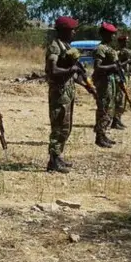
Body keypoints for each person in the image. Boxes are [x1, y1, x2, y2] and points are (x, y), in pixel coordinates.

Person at [45, 16, 95, 173]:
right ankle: (53, 161)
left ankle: (58, 156)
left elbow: (76, 73)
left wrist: (87, 86)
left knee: (66, 127)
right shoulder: (55, 48)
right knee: (58, 126)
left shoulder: (66, 47)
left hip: (67, 92)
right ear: (64, 30)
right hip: (59, 93)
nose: (75, 32)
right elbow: (53, 71)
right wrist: (70, 70)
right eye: (72, 29)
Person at [92, 22, 119, 147]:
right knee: (103, 108)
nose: (113, 37)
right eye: (110, 34)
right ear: (104, 34)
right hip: (103, 82)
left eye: (113, 34)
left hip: (110, 80)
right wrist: (112, 67)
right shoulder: (101, 48)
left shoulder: (109, 48)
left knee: (109, 107)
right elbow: (98, 67)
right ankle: (99, 136)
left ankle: (103, 134)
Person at [114, 35, 131, 129]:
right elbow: (118, 66)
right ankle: (115, 120)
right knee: (119, 99)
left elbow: (130, 68)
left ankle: (119, 119)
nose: (127, 43)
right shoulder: (118, 53)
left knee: (124, 99)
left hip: (126, 77)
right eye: (125, 42)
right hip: (120, 78)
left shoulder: (127, 52)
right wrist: (127, 61)